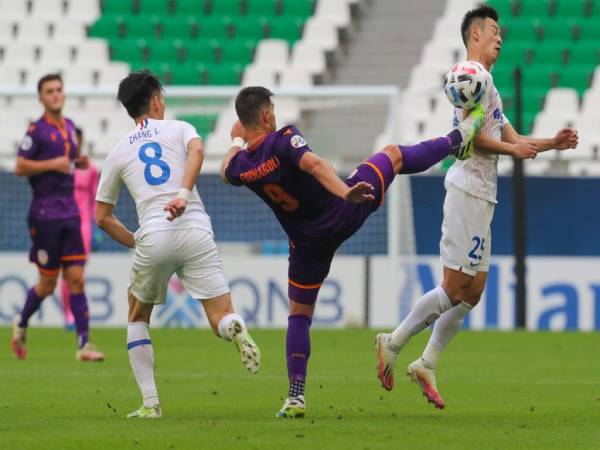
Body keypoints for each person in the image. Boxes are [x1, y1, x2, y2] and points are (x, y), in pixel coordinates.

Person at [220, 85, 484, 418]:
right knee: (393, 156)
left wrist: (235, 140)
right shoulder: (283, 138)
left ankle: (296, 396)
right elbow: (315, 164)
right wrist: (345, 193)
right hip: (342, 211)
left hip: (306, 244)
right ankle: (456, 141)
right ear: (266, 114)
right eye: (272, 108)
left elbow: (225, 171)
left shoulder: (242, 166)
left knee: (299, 316)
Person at [374, 4, 579, 409]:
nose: (499, 37)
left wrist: (552, 143)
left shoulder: (489, 84)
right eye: (493, 30)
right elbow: (466, 137)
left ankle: (427, 362)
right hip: (467, 190)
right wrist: (512, 149)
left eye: (500, 32)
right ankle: (392, 343)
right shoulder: (470, 77)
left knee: (474, 292)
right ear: (474, 36)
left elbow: (514, 138)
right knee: (453, 289)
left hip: (484, 195)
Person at [95, 71, 260, 419]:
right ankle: (233, 326)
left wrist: (136, 240)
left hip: (154, 232)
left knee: (138, 313)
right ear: (156, 101)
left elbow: (102, 216)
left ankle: (151, 404)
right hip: (196, 227)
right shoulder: (180, 128)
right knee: (219, 315)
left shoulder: (119, 150)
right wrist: (183, 193)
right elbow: (198, 151)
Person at [12, 74, 105, 362]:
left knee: (77, 278)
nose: (55, 95)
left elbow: (67, 165)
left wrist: (79, 163)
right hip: (45, 216)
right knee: (48, 284)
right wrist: (53, 163)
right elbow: (19, 166)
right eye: (49, 91)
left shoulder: (68, 128)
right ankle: (22, 322)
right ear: (41, 98)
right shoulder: (36, 131)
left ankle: (84, 345)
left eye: (59, 90)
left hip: (70, 214)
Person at [60, 128, 100, 329]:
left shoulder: (90, 169)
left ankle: (74, 314)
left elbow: (95, 199)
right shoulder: (61, 168)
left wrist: (98, 225)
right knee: (65, 272)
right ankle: (68, 314)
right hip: (62, 223)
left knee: (77, 272)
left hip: (83, 225)